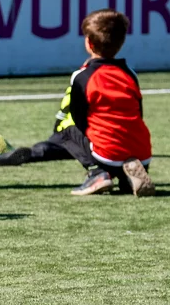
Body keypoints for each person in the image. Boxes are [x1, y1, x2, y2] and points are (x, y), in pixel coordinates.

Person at [62, 10, 154, 197]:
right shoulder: (130, 73)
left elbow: (79, 117)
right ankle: (127, 177)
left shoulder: (82, 76)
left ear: (89, 43)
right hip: (142, 153)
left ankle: (97, 172)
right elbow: (139, 111)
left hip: (106, 154)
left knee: (66, 131)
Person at [0, 62, 103, 173]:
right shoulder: (109, 77)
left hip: (76, 134)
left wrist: (58, 132)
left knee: (49, 147)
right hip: (93, 136)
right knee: (56, 146)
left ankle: (96, 170)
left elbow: (66, 110)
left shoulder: (81, 78)